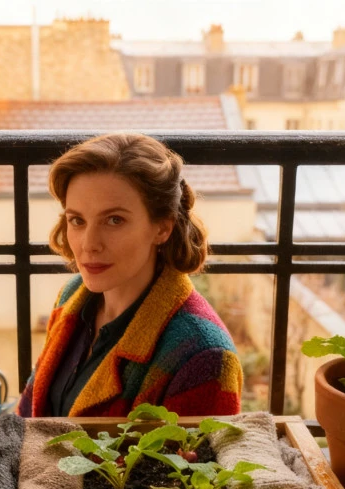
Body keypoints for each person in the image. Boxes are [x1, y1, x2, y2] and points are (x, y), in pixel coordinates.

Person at [17, 133, 243, 418]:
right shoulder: (72, 295)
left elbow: (195, 462)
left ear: (162, 227)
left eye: (114, 220)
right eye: (77, 220)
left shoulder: (205, 357)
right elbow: (25, 419)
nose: (89, 244)